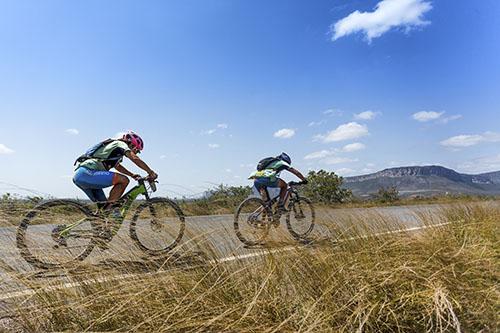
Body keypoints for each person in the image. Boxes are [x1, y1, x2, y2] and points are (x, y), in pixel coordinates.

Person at [73, 131, 158, 210]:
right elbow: (134, 158)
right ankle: (110, 209)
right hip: (87, 173)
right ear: (131, 145)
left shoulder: (115, 153)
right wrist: (150, 172)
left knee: (103, 209)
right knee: (124, 180)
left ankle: (100, 223)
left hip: (83, 176)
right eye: (137, 150)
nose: (137, 152)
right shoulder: (119, 143)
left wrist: (132, 175)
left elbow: (117, 166)